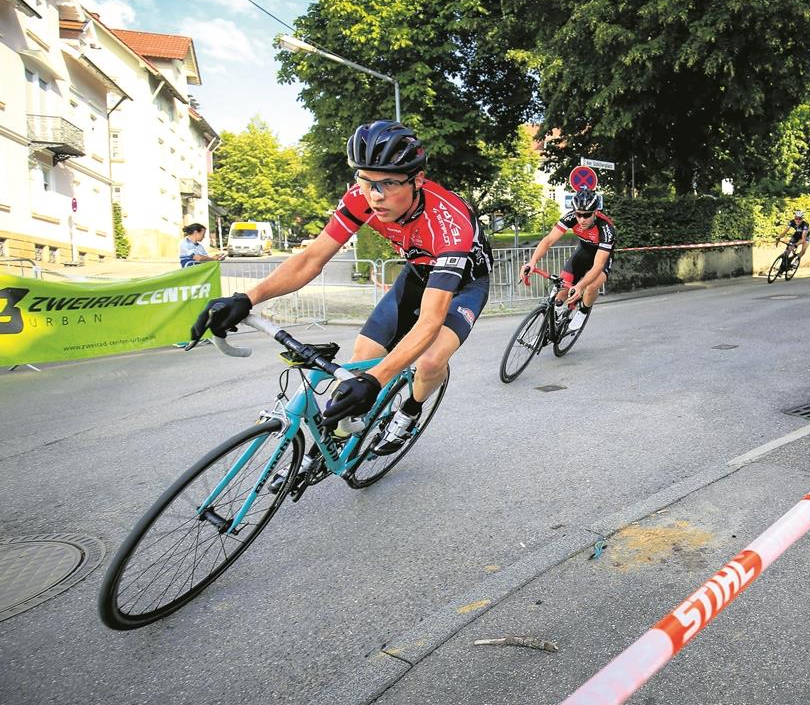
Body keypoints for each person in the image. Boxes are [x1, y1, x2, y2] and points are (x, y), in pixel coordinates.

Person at [190, 120, 493, 454]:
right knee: (362, 358)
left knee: (431, 360)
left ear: (418, 179)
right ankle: (333, 443)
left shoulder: (449, 222)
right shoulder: (359, 199)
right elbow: (310, 260)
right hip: (418, 274)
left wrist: (377, 381)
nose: (376, 196)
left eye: (389, 183)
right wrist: (247, 298)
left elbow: (431, 320)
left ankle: (409, 411)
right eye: (366, 181)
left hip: (465, 284)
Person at [520, 187, 615, 332]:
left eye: (587, 215)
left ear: (595, 213)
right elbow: (548, 240)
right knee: (562, 288)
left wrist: (580, 286)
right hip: (583, 251)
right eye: (578, 214)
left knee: (590, 287)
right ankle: (556, 318)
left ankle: (583, 311)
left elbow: (597, 266)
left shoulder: (606, 229)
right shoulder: (571, 218)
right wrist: (532, 262)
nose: (582, 219)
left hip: (602, 256)